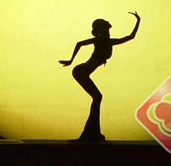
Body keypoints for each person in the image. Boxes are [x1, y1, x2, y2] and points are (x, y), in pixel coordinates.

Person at [59, 11, 141, 141]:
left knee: (97, 98)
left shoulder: (110, 42)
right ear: (101, 32)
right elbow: (79, 43)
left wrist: (138, 21)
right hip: (80, 71)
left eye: (108, 30)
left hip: (83, 72)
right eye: (106, 30)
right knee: (97, 97)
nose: (109, 32)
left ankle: (92, 133)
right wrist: (70, 60)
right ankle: (91, 133)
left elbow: (131, 36)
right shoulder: (99, 41)